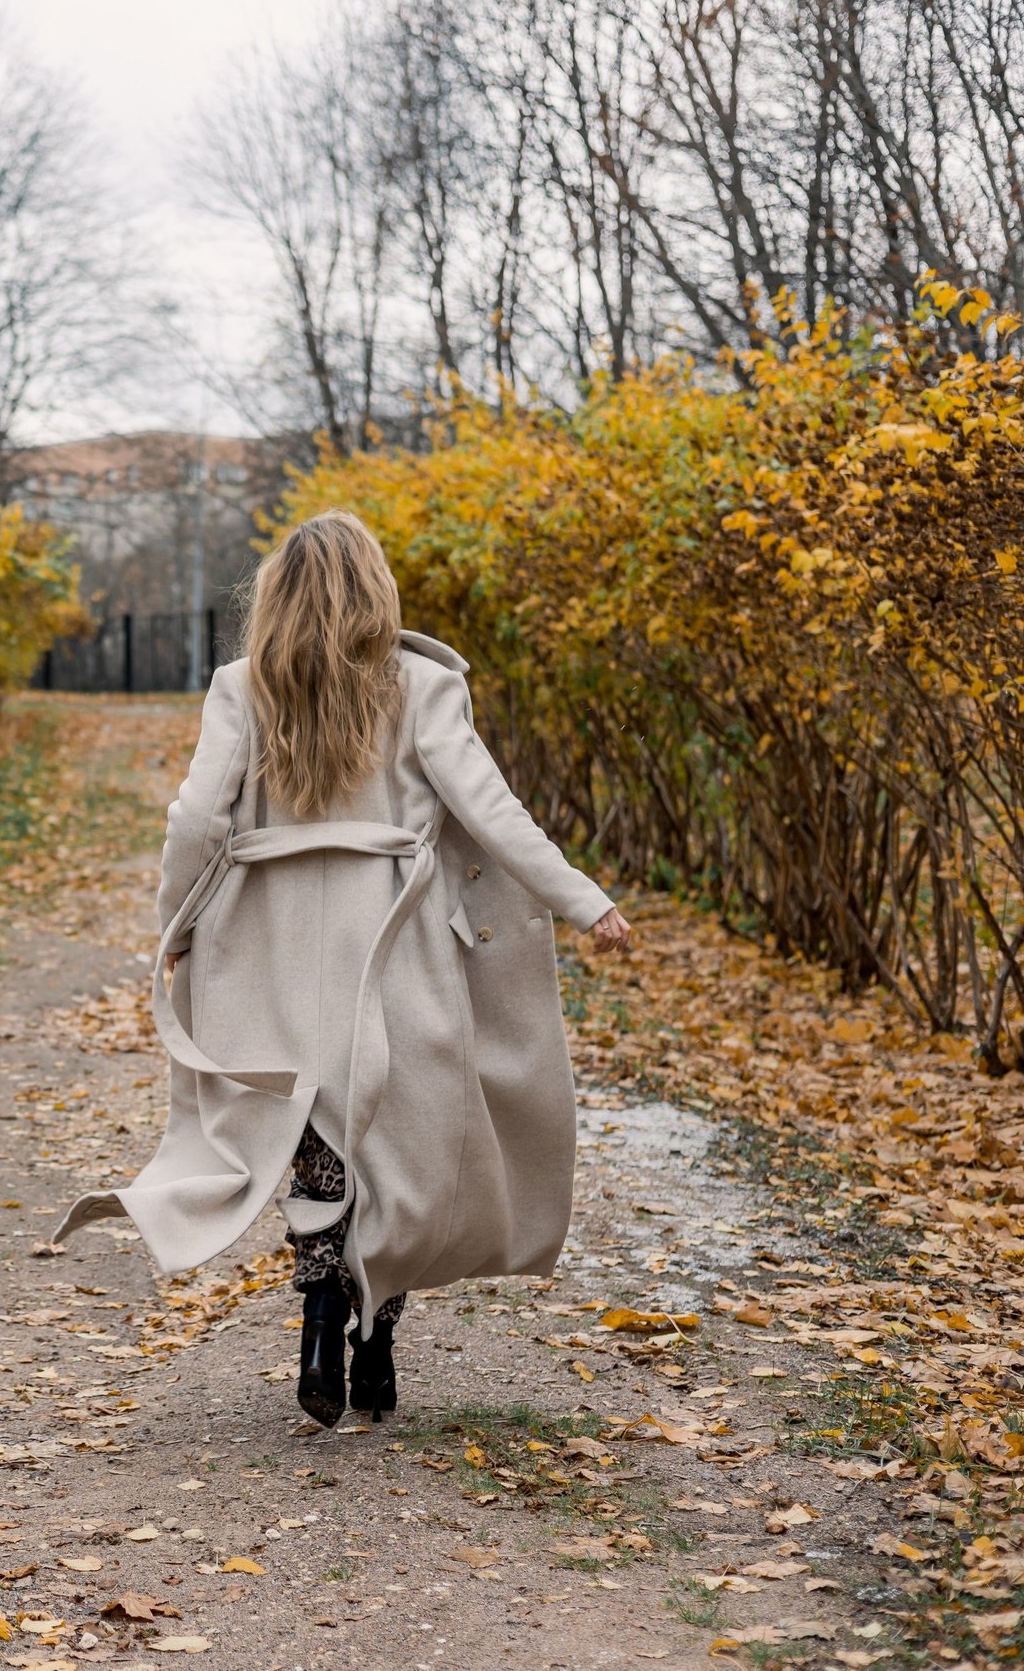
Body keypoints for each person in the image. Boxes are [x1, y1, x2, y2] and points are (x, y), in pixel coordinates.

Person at [50, 511, 631, 1426]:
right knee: (395, 1149)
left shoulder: (243, 687)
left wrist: (177, 926)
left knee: (314, 1142)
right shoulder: (422, 688)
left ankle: (322, 1318)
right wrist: (582, 897)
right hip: (395, 950)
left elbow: (198, 818)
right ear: (378, 591)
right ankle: (376, 1340)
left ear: (273, 598)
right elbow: (491, 806)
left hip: (265, 951)